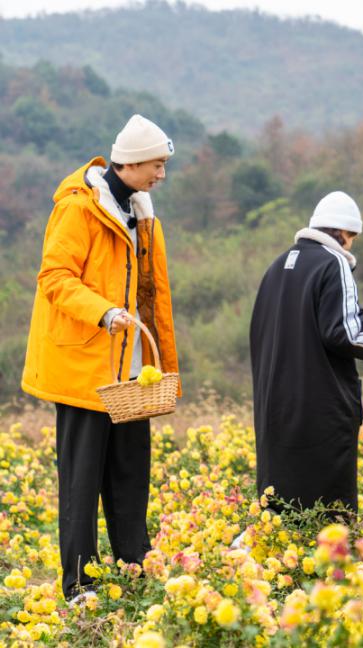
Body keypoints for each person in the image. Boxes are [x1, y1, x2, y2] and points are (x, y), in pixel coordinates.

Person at [22, 114, 180, 601]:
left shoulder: (141, 212)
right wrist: (104, 311)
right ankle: (79, 585)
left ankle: (135, 574)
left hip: (132, 373)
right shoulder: (78, 208)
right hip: (84, 370)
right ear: (130, 163)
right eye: (156, 165)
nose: (161, 174)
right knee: (81, 482)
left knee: (131, 477)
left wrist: (163, 361)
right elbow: (55, 277)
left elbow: (152, 293)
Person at [249, 191, 363, 518]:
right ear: (343, 233)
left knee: (280, 513)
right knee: (327, 514)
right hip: (320, 412)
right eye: (352, 238)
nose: (350, 246)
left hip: (274, 409)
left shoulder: (277, 266)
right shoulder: (333, 262)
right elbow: (346, 332)